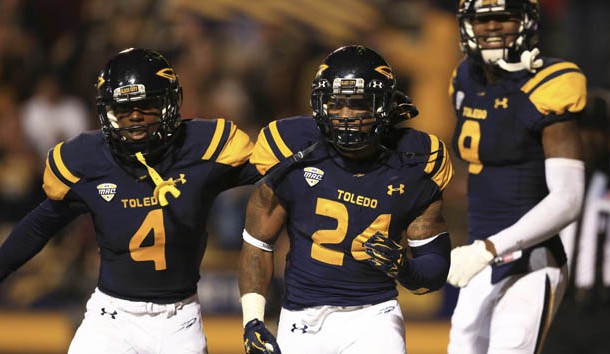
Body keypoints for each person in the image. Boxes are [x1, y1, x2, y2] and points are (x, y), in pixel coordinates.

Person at [0, 48, 260, 354]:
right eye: (123, 109)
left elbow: (273, 168)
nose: (135, 117)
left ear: (170, 104)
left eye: (145, 106)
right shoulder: (88, 160)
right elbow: (39, 226)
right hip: (111, 317)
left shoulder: (201, 147)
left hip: (178, 320)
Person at [237, 45, 454, 354]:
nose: (345, 116)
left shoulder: (417, 161)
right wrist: (253, 320)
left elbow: (432, 273)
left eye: (358, 105)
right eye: (336, 104)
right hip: (302, 316)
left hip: (375, 315)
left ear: (385, 106)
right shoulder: (289, 146)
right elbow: (257, 242)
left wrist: (405, 267)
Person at [446, 1, 587, 353]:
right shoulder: (465, 77)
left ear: (525, 21)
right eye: (484, 19)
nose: (493, 27)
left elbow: (569, 199)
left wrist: (493, 247)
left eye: (504, 17)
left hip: (530, 259)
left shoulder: (549, 83)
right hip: (478, 254)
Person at [542, 89, 610, 354]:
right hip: (562, 309)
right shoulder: (550, 181)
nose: (588, 140)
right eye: (582, 131)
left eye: (598, 132)